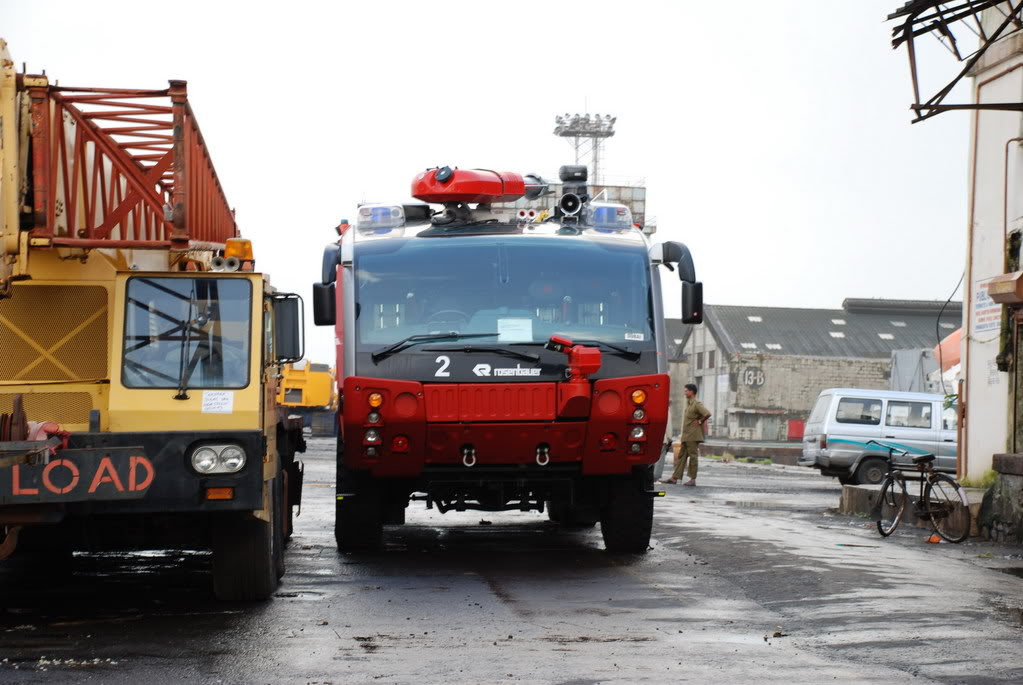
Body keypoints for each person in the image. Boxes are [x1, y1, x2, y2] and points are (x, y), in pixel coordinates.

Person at [662, 383, 711, 486]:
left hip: (693, 436)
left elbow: (707, 414)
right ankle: (675, 478)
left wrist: (700, 421)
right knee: (681, 456)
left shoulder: (697, 404)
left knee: (693, 456)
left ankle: (693, 479)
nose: (684, 393)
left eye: (686, 391)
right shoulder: (689, 404)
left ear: (691, 392)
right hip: (686, 436)